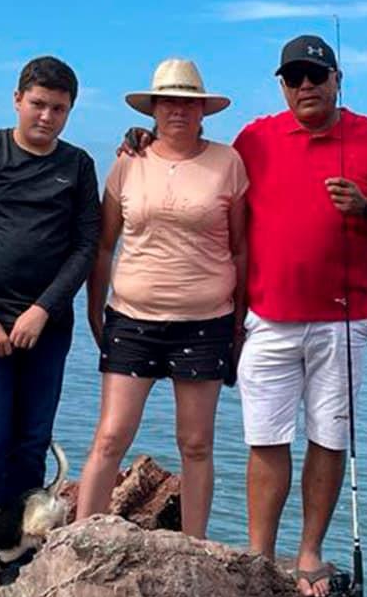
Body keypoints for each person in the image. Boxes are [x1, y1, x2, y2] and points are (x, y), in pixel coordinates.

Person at [232, 34, 367, 597]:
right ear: (283, 86)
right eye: (295, 78)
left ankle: (309, 552)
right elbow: (202, 174)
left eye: (317, 75)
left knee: (328, 436)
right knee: (265, 437)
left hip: (345, 319)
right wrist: (142, 143)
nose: (307, 86)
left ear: (339, 79)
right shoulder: (254, 138)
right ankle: (260, 556)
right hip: (267, 316)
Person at [76, 58, 248, 539]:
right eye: (169, 101)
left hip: (205, 320)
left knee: (195, 444)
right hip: (131, 318)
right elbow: (105, 244)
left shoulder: (228, 163)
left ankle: (195, 547)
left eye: (188, 102)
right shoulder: (128, 160)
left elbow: (240, 247)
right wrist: (94, 307)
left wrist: (239, 321)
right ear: (153, 107)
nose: (178, 110)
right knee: (110, 437)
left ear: (203, 110)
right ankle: (79, 543)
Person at [0, 56, 100, 563]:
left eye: (59, 108)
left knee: (30, 444)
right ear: (17, 100)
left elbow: (85, 247)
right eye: (38, 104)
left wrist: (43, 310)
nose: (46, 116)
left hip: (46, 329)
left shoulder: (77, 166)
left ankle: (13, 550)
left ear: (70, 110)